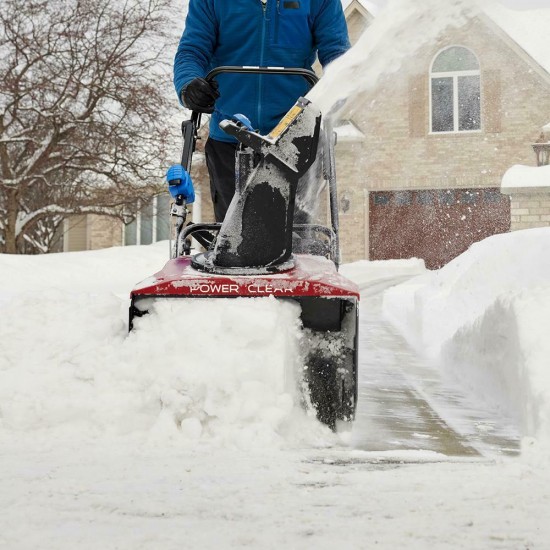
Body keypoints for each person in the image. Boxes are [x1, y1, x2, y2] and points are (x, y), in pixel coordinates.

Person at [174, 0, 350, 223]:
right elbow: (192, 51)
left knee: (295, 235)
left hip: (296, 138)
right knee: (233, 235)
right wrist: (188, 84)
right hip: (229, 137)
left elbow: (336, 50)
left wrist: (340, 87)